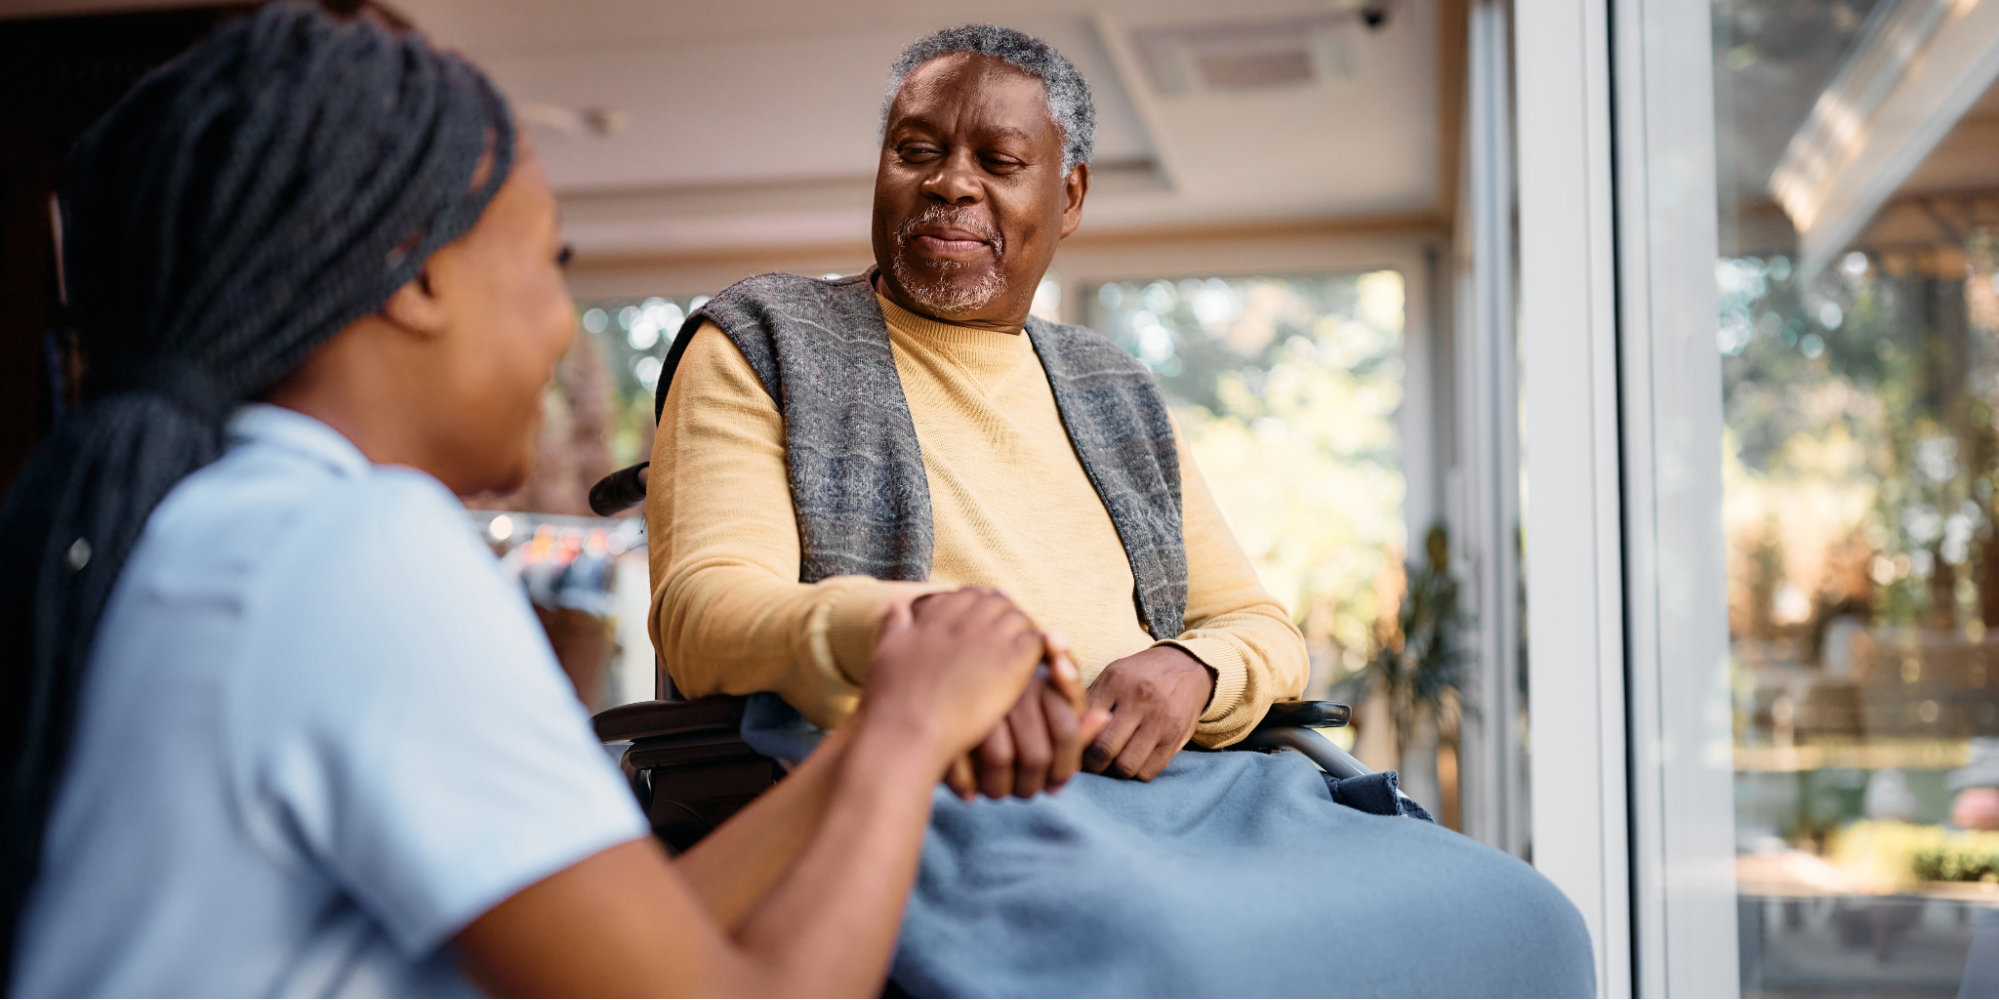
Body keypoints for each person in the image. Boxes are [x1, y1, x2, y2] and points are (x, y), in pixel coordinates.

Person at [0, 5, 1068, 996]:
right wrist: (908, 725)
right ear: (414, 276)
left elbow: (634, 939)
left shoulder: (238, 526)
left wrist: (872, 739)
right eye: (550, 261)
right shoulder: (352, 551)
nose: (565, 327)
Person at [646, 24, 1598, 997]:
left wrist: (1195, 664)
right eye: (916, 151)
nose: (949, 184)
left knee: (1530, 921)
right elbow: (704, 615)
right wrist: (920, 636)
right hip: (947, 787)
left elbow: (1260, 628)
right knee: (1186, 957)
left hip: (1179, 789)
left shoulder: (1116, 391)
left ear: (1068, 196)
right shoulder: (764, 339)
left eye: (999, 161)